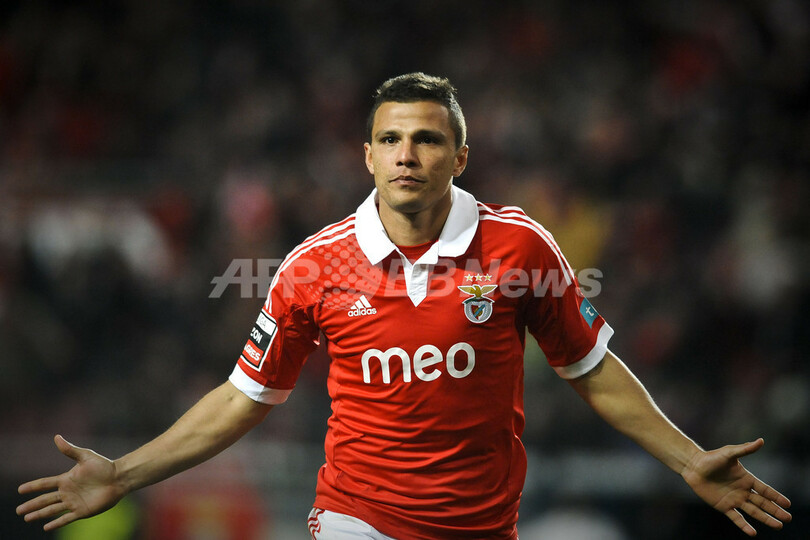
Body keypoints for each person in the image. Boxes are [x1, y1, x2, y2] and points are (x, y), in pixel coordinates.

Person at [17, 73, 791, 539]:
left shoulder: (520, 248)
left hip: (483, 528)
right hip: (357, 520)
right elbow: (244, 397)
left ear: (460, 156)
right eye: (389, 139)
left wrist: (689, 457)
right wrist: (124, 474)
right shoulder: (313, 266)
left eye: (426, 139)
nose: (406, 155)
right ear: (367, 155)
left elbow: (592, 370)